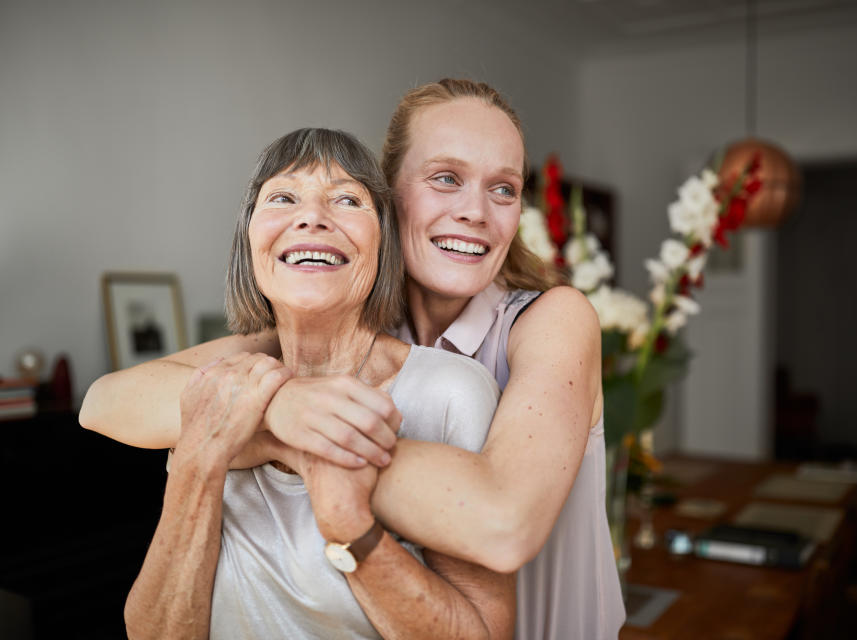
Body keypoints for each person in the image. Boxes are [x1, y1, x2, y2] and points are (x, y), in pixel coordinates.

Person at [81, 79, 626, 638]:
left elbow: (503, 525)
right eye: (446, 178)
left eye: (504, 189)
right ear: (389, 197)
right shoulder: (329, 322)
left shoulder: (551, 319)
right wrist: (281, 406)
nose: (476, 212)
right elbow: (107, 400)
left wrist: (281, 430)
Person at [121, 127, 515, 639]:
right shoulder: (217, 389)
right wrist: (200, 460)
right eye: (283, 197)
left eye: (346, 199)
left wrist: (350, 523)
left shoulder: (450, 392)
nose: (311, 218)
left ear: (383, 243)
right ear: (249, 241)